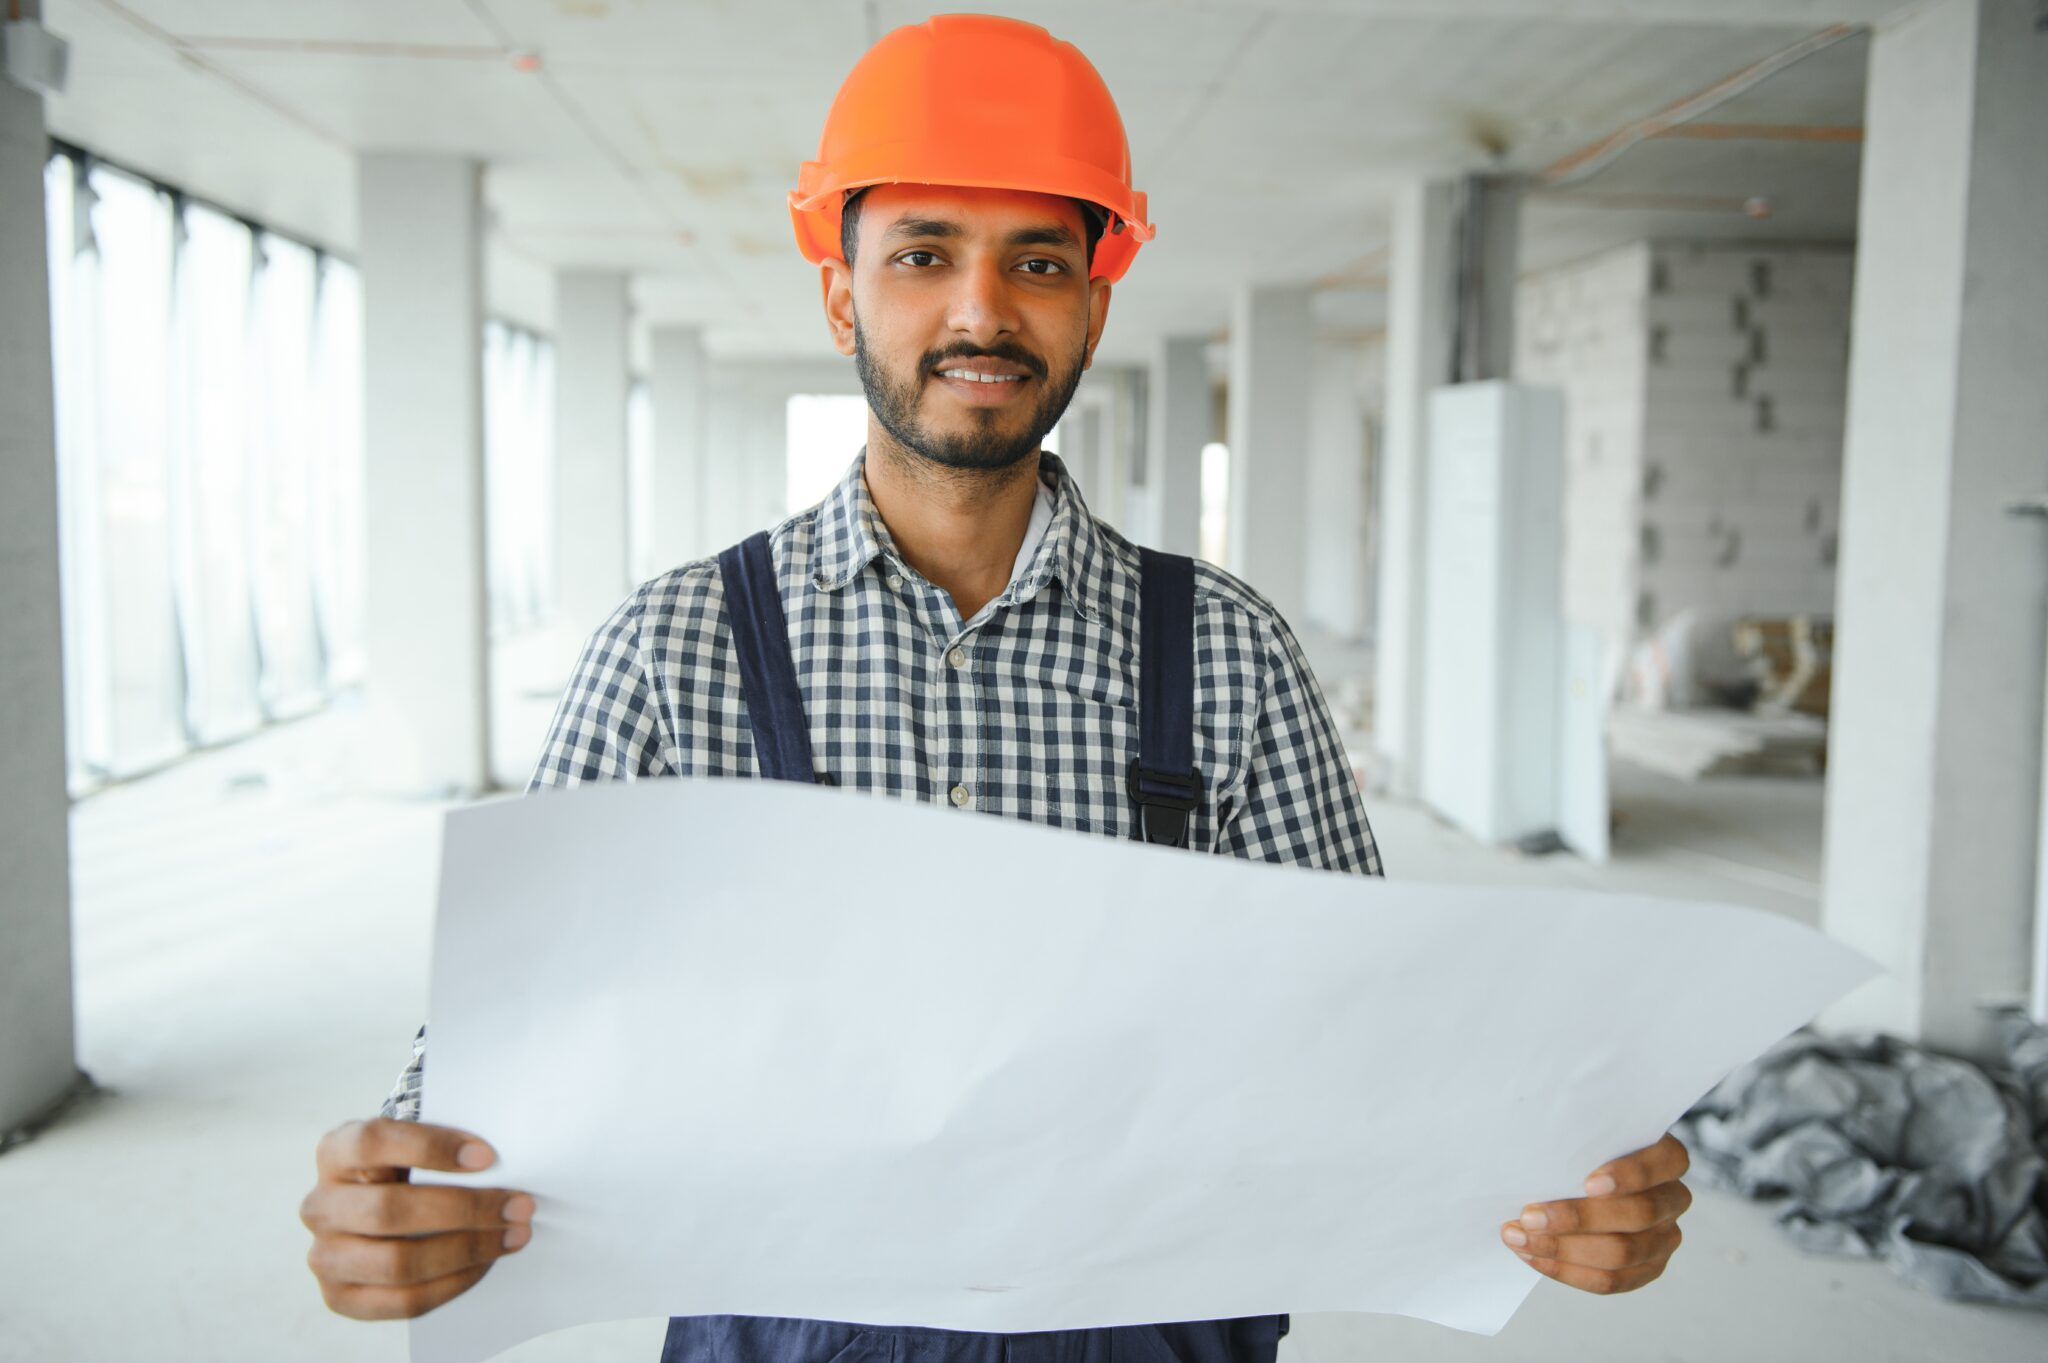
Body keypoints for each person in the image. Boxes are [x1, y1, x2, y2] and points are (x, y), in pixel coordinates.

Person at [299, 12, 1690, 1353]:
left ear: (1095, 294)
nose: (981, 310)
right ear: (841, 287)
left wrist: (1554, 1178)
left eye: (1036, 261)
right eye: (920, 254)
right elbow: (498, 1072)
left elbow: (1371, 1048)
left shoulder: (1226, 654)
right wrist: (405, 1201)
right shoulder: (677, 655)